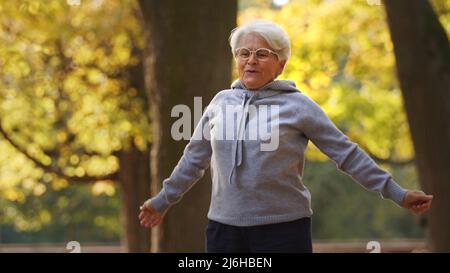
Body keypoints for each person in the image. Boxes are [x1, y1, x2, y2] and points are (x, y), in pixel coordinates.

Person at [138, 20, 433, 253]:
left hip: (282, 231)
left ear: (280, 64)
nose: (251, 60)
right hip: (223, 230)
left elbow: (346, 154)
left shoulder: (298, 105)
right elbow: (193, 160)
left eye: (262, 53)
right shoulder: (220, 103)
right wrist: (162, 200)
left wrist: (398, 193)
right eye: (244, 53)